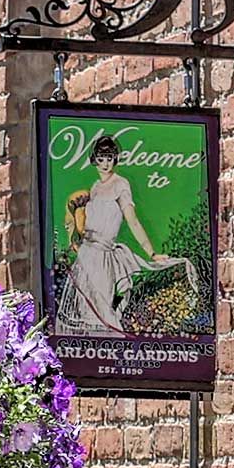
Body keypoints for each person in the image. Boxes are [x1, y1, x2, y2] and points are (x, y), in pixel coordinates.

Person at [59, 131, 166, 335]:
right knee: (83, 308)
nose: (105, 164)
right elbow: (85, 224)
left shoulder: (120, 184)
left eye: (109, 158)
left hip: (103, 256)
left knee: (102, 309)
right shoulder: (96, 188)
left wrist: (151, 253)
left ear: (115, 158)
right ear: (94, 160)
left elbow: (132, 221)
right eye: (100, 159)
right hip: (86, 255)